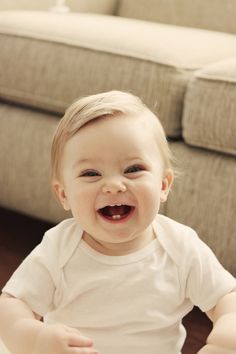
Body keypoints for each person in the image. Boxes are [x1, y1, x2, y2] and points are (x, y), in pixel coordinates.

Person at [0, 90, 236, 354]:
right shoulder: (58, 249)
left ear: (163, 184)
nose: (113, 185)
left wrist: (227, 337)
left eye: (133, 169)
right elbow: (11, 304)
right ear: (64, 194)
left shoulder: (181, 246)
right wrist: (34, 340)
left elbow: (227, 298)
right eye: (91, 173)